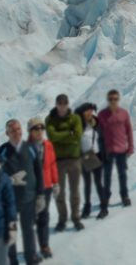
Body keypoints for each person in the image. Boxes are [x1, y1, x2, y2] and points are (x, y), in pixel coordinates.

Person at [0, 120, 43, 265]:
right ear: (7, 133)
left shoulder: (30, 148)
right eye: (12, 130)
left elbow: (38, 172)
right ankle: (13, 260)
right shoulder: (1, 151)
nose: (16, 133)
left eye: (18, 129)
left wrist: (40, 194)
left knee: (28, 229)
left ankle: (31, 257)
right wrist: (9, 180)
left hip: (28, 197)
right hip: (9, 200)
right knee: (11, 232)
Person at [44, 95, 82, 232]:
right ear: (56, 104)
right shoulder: (50, 119)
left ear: (67, 104)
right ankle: (62, 219)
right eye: (60, 103)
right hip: (58, 162)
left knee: (74, 192)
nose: (62, 105)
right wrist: (69, 134)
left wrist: (61, 136)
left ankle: (76, 218)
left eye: (64, 103)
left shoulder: (75, 118)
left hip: (74, 159)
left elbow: (78, 135)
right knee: (59, 193)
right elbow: (52, 136)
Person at [97, 90, 134, 218]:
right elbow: (99, 135)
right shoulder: (102, 115)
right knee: (106, 176)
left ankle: (124, 196)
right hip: (108, 151)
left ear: (118, 99)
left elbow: (129, 131)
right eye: (111, 99)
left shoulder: (124, 114)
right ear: (108, 100)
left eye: (115, 99)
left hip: (121, 150)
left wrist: (130, 147)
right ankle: (106, 198)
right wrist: (101, 151)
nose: (113, 101)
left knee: (122, 175)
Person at [27, 119, 58, 260]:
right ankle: (31, 248)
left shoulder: (48, 145)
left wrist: (55, 182)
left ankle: (44, 245)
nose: (39, 131)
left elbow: (52, 165)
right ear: (30, 131)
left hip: (46, 186)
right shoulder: (25, 147)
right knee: (30, 218)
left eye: (41, 128)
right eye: (36, 128)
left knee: (44, 216)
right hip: (31, 188)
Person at [74, 104, 104, 220]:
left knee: (98, 182)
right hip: (84, 156)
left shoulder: (96, 122)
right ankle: (87, 206)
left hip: (96, 155)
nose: (90, 113)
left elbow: (102, 136)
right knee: (87, 183)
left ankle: (103, 206)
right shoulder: (78, 125)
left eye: (91, 111)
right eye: (87, 112)